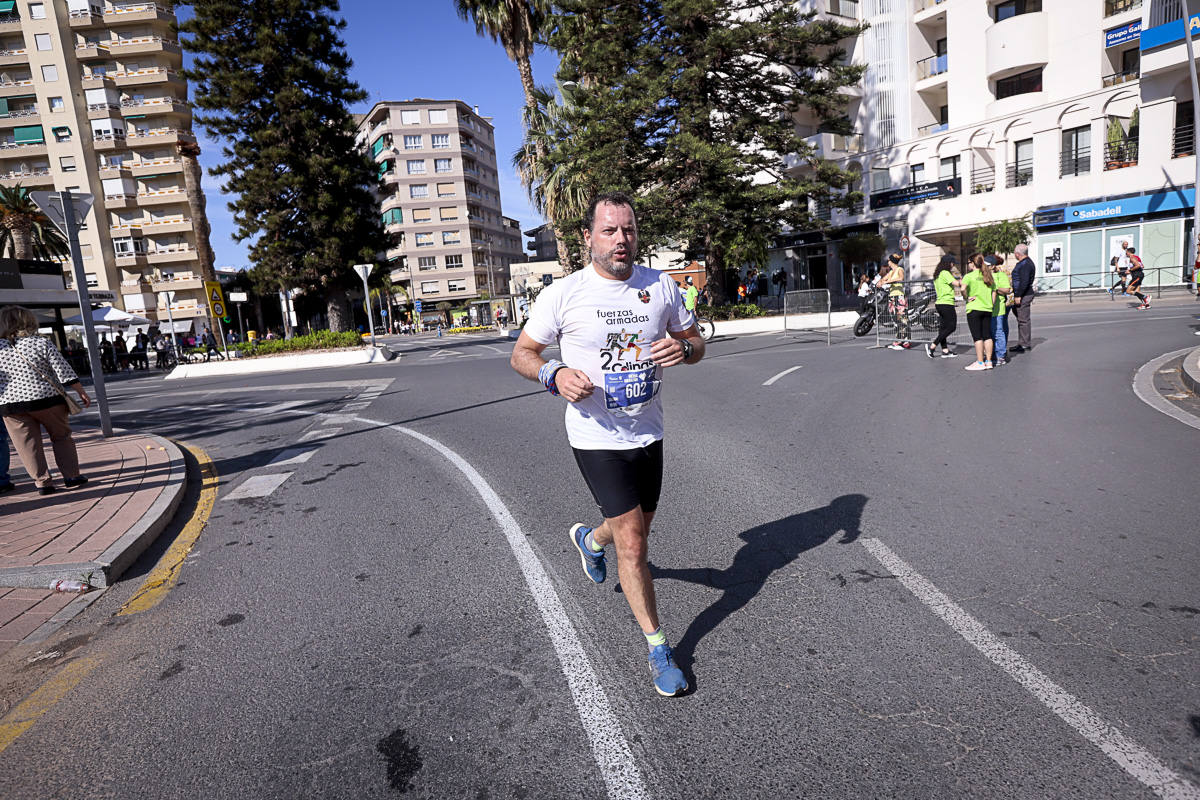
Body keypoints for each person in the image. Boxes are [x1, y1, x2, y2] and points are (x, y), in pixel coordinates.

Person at [510, 191, 704, 697]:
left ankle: (591, 540)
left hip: (649, 431)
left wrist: (683, 347)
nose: (622, 240)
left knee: (632, 530)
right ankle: (659, 648)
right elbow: (523, 354)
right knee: (636, 543)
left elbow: (697, 342)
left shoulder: (659, 286)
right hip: (595, 436)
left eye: (630, 231)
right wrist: (553, 374)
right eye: (611, 231)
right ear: (588, 237)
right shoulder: (563, 294)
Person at [0, 306, 92, 495]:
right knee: (61, 437)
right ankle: (72, 476)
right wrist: (81, 392)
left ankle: (43, 483)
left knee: (26, 445)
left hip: (10, 405)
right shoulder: (40, 343)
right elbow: (63, 370)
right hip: (47, 399)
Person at [960, 254, 996, 371]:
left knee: (977, 337)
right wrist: (991, 304)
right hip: (987, 308)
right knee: (987, 335)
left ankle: (980, 362)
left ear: (972, 263)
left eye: (969, 263)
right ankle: (989, 361)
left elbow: (962, 289)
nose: (968, 265)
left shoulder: (969, 276)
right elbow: (994, 291)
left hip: (974, 308)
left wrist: (966, 298)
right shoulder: (988, 275)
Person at [928, 254, 961, 358]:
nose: (953, 265)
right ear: (948, 263)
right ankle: (933, 345)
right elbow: (956, 283)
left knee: (943, 328)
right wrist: (966, 280)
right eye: (952, 263)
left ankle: (945, 350)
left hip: (940, 303)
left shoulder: (938, 274)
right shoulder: (945, 273)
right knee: (952, 326)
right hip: (947, 303)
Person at [880, 253, 911, 350]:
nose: (888, 262)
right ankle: (898, 340)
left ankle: (906, 341)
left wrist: (887, 282)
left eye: (889, 260)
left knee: (903, 318)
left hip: (899, 296)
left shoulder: (899, 269)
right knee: (895, 320)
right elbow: (883, 279)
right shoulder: (891, 272)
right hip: (892, 297)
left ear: (892, 261)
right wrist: (879, 282)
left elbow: (901, 278)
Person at [1009, 243, 1035, 353]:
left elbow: (1024, 282)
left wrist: (1018, 295)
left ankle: (1024, 344)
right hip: (1023, 293)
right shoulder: (1025, 263)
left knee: (1023, 320)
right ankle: (1022, 342)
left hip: (1024, 294)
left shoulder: (1025, 264)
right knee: (1021, 318)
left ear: (1018, 254)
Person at [987, 255, 1013, 365]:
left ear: (993, 266)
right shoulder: (982, 275)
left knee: (998, 332)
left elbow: (1007, 290)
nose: (984, 267)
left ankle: (1000, 355)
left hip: (998, 308)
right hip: (985, 309)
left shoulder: (1001, 275)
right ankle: (990, 354)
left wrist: (996, 289)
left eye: (987, 265)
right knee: (989, 333)